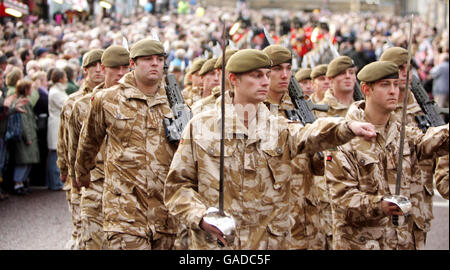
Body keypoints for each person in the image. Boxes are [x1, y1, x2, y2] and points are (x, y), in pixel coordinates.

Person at [164, 49, 377, 250]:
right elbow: (177, 187)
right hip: (219, 243)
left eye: (267, 75)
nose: (265, 81)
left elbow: (310, 134)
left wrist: (346, 127)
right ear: (234, 80)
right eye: (256, 76)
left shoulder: (277, 127)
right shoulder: (201, 126)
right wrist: (201, 216)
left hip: (269, 244)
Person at [325, 61, 449, 250]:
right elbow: (341, 200)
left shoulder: (403, 134)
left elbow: (432, 142)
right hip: (362, 244)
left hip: (401, 241)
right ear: (366, 89)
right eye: (385, 85)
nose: (393, 91)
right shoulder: (344, 138)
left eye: (395, 84)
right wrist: (380, 205)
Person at [75, 39, 181, 250]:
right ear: (132, 63)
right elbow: (89, 141)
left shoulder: (175, 102)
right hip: (124, 210)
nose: (155, 64)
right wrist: (82, 173)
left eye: (159, 59)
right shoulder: (107, 100)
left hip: (165, 211)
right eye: (148, 60)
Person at [262, 45, 325, 250]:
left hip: (306, 210)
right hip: (272, 215)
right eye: (277, 69)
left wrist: (321, 154)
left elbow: (318, 166)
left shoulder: (300, 106)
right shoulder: (256, 108)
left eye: (288, 69)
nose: (285, 75)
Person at [69, 45, 130, 250]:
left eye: (125, 68)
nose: (120, 74)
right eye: (115, 68)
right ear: (105, 70)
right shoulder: (82, 105)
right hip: (94, 186)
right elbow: (74, 146)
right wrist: (74, 179)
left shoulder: (137, 104)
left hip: (126, 190)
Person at [380, 47, 437, 248]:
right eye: (399, 68)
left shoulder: (425, 108)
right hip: (388, 200)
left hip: (419, 200)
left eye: (408, 68)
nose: (405, 73)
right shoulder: (378, 106)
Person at [56, 48, 104, 249]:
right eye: (94, 66)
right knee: (82, 232)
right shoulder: (73, 102)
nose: (99, 70)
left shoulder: (114, 98)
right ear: (85, 70)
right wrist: (65, 171)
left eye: (103, 65)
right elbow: (65, 140)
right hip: (80, 176)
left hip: (106, 175)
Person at [0, 68, 28, 200]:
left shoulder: (3, 92)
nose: (2, 81)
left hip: (3, 133)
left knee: (2, 164)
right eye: (0, 78)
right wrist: (6, 107)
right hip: (2, 133)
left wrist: (13, 108)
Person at [9, 80, 40, 195]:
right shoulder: (22, 103)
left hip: (30, 135)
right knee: (23, 161)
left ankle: (21, 182)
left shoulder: (25, 101)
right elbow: (24, 122)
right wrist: (27, 137)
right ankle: (18, 184)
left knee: (27, 161)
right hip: (26, 137)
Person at [191, 49, 238, 115]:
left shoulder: (252, 102)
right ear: (220, 71)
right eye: (232, 68)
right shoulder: (200, 107)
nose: (215, 79)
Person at [48, 68, 68, 191]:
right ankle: (55, 182)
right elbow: (66, 104)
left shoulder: (57, 90)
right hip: (55, 125)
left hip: (58, 124)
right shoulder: (55, 92)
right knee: (54, 155)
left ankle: (55, 182)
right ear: (61, 79)